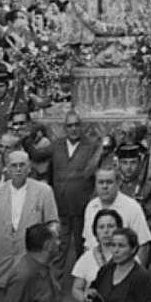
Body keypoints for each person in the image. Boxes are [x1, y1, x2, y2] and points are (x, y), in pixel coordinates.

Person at [0, 149, 59, 302]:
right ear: (7, 168)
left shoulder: (44, 191)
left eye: (22, 165)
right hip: (1, 264)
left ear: (29, 167)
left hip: (31, 263)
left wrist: (47, 253)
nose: (18, 169)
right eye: (14, 165)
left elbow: (53, 223)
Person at [50, 111, 101, 273]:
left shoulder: (92, 146)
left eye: (77, 125)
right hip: (61, 208)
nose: (73, 129)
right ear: (64, 128)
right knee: (59, 249)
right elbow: (42, 161)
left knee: (83, 248)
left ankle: (83, 282)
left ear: (82, 126)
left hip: (82, 208)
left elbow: (96, 173)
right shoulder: (56, 145)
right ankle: (54, 285)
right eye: (70, 125)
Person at [83, 167, 151, 267]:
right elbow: (88, 244)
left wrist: (134, 273)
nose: (105, 186)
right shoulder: (91, 207)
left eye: (109, 182)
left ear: (118, 183)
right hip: (94, 268)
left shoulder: (132, 207)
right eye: (101, 182)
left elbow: (144, 245)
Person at [90, 227, 151, 302]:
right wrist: (89, 294)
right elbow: (93, 289)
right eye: (113, 245)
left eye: (121, 246)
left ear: (133, 249)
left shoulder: (141, 277)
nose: (116, 250)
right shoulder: (106, 270)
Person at [72, 207, 123, 302]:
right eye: (101, 227)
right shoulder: (87, 258)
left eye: (111, 226)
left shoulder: (128, 257)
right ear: (95, 232)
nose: (106, 231)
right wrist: (84, 296)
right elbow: (76, 289)